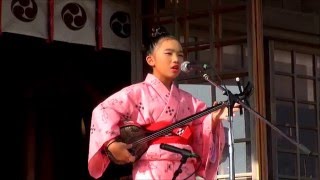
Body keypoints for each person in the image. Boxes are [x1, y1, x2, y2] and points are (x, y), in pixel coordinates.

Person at [87, 26, 240, 180]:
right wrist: (111, 143)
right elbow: (103, 110)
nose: (176, 59)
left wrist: (213, 119)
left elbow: (202, 126)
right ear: (150, 59)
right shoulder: (136, 93)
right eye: (169, 53)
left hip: (185, 168)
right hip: (151, 169)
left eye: (180, 55)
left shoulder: (189, 101)